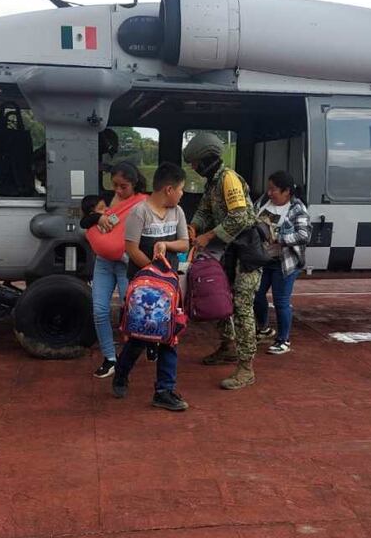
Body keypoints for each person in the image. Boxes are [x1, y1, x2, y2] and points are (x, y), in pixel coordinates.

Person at [184, 132, 262, 390]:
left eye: (195, 162)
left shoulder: (228, 179)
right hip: (228, 252)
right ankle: (228, 347)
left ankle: (246, 367)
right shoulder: (213, 182)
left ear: (206, 159)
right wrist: (193, 226)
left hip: (246, 253)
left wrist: (207, 235)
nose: (194, 168)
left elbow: (240, 217)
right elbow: (205, 210)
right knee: (218, 297)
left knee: (241, 306)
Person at [112, 162, 190, 411]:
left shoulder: (177, 212)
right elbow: (131, 247)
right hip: (145, 286)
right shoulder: (140, 212)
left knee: (169, 335)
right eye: (180, 189)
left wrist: (166, 247)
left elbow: (185, 243)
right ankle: (121, 374)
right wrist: (154, 273)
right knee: (139, 335)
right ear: (168, 189)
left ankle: (164, 390)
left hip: (168, 288)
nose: (181, 194)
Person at [89, 162, 147, 378]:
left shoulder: (142, 202)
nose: (118, 190)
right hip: (104, 262)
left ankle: (140, 348)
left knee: (132, 309)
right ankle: (109, 357)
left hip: (126, 262)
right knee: (99, 310)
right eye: (115, 185)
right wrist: (98, 217)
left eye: (123, 186)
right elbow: (90, 220)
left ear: (134, 183)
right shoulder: (107, 201)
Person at [253, 171, 312, 355]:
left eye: (274, 190)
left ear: (287, 191)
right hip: (263, 259)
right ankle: (263, 329)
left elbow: (304, 235)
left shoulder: (297, 209)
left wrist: (279, 237)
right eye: (268, 188)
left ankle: (283, 340)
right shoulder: (264, 201)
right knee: (256, 294)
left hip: (284, 263)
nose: (269, 192)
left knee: (281, 301)